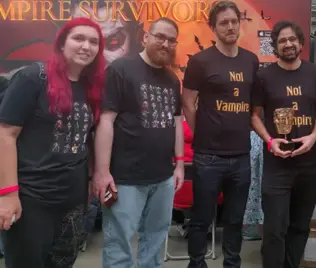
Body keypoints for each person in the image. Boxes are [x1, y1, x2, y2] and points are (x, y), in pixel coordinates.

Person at [0, 17, 105, 267]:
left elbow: (85, 137)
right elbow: (5, 135)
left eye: (94, 42)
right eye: (78, 38)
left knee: (62, 263)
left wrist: (93, 178)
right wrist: (7, 194)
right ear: (61, 43)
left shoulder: (91, 87)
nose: (86, 46)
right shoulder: (32, 78)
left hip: (73, 201)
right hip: (31, 197)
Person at [92, 17, 184, 268]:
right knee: (119, 245)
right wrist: (101, 172)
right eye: (160, 37)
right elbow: (106, 122)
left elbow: (175, 123)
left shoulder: (172, 80)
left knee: (155, 242)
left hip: (163, 178)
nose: (166, 43)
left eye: (171, 40)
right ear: (145, 37)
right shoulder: (121, 69)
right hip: (125, 178)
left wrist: (179, 165)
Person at [181, 1, 259, 267]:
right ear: (213, 27)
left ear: (240, 24)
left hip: (241, 155)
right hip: (208, 156)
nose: (230, 27)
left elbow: (253, 105)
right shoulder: (200, 61)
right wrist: (203, 131)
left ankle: (232, 264)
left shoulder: (251, 60)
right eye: (224, 22)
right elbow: (188, 102)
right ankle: (197, 263)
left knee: (235, 220)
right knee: (201, 218)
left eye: (234, 21)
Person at [251, 20, 316, 268]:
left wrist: (313, 137)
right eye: (282, 40)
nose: (288, 44)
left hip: (309, 162)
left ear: (301, 43)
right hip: (277, 163)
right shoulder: (263, 76)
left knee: (300, 225)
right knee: (274, 228)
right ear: (275, 45)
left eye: (292, 39)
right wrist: (270, 140)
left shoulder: (315, 73)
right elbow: (254, 115)